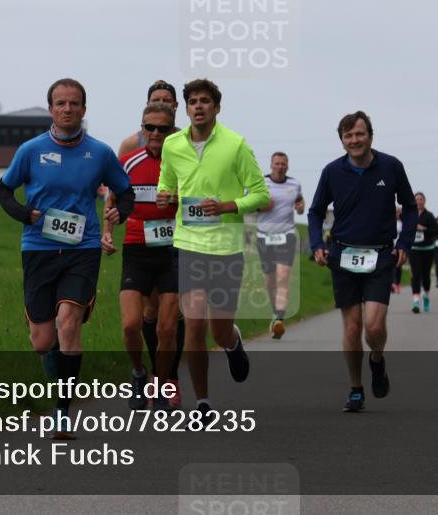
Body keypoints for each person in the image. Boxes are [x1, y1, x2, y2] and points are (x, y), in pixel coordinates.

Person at [0, 78, 134, 439]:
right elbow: (3, 189)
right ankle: (57, 360)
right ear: (51, 109)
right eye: (60, 103)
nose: (67, 109)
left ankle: (62, 411)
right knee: (43, 341)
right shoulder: (31, 150)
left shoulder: (100, 153)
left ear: (84, 110)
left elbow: (125, 191)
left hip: (82, 249)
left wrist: (122, 214)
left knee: (68, 322)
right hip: (39, 249)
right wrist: (25, 214)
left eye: (74, 104)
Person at [156, 78, 269, 418]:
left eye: (205, 101)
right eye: (193, 101)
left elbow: (261, 194)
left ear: (217, 107)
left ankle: (232, 343)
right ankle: (202, 402)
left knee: (218, 329)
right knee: (193, 322)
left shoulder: (236, 145)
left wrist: (227, 206)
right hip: (188, 244)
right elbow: (167, 184)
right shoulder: (172, 145)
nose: (199, 106)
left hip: (226, 247)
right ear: (186, 107)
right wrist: (165, 197)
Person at [307, 110, 416, 413]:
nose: (354, 140)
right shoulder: (332, 172)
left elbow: (409, 207)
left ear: (370, 135)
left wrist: (404, 242)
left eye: (359, 134)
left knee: (374, 326)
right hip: (342, 254)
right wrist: (317, 244)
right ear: (341, 140)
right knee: (352, 328)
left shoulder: (391, 167)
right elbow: (315, 212)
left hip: (380, 255)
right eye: (348, 136)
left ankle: (377, 360)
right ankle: (356, 388)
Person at [109, 80, 185, 405]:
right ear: (143, 127)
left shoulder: (186, 158)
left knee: (168, 326)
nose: (156, 134)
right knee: (131, 325)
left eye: (163, 130)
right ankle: (139, 373)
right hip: (138, 248)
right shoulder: (129, 157)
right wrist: (109, 229)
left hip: (173, 250)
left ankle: (165, 381)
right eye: (150, 128)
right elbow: (114, 199)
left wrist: (180, 197)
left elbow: (201, 205)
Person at [256, 152, 305, 339]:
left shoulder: (294, 184)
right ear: (271, 165)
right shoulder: (261, 183)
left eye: (283, 164)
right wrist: (261, 206)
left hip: (286, 235)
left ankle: (279, 319)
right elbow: (247, 204)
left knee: (283, 277)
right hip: (264, 236)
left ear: (287, 166)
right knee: (269, 280)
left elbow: (299, 201)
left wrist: (300, 207)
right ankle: (274, 310)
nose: (280, 167)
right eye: (277, 163)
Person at [408, 192, 438, 313]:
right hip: (414, 249)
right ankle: (416, 301)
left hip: (427, 249)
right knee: (415, 274)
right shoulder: (410, 214)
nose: (419, 202)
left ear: (424, 201)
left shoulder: (429, 216)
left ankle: (426, 296)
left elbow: (437, 230)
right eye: (417, 199)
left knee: (425, 275)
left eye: (421, 199)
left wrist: (424, 229)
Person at [392, 206, 404, 294]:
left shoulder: (402, 223)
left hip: (399, 247)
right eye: (395, 212)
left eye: (398, 212)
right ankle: (393, 284)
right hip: (390, 247)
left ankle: (397, 283)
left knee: (398, 266)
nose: (397, 214)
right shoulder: (389, 222)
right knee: (391, 266)